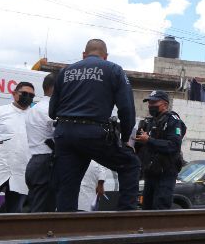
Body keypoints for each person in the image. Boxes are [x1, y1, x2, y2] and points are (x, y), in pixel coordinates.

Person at [49, 39, 141, 211]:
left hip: (64, 134)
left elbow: (51, 111)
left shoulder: (65, 72)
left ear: (84, 55)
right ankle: (126, 218)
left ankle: (63, 229)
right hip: (93, 133)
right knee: (130, 164)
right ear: (105, 56)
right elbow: (127, 109)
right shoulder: (113, 69)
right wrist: (125, 139)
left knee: (67, 186)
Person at [0, 81, 35, 213]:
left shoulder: (34, 117)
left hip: (21, 173)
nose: (28, 97)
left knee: (13, 216)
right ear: (14, 94)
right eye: (24, 93)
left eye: (31, 95)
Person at [134, 90, 186, 210]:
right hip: (150, 173)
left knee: (160, 208)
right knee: (146, 208)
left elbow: (173, 146)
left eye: (154, 102)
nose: (151, 105)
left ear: (165, 105)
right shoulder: (149, 122)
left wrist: (149, 140)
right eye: (149, 102)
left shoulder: (173, 120)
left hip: (166, 173)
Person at [25, 73, 57, 212]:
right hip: (46, 163)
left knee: (37, 209)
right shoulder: (49, 109)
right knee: (42, 214)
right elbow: (61, 135)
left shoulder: (35, 108)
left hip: (36, 161)